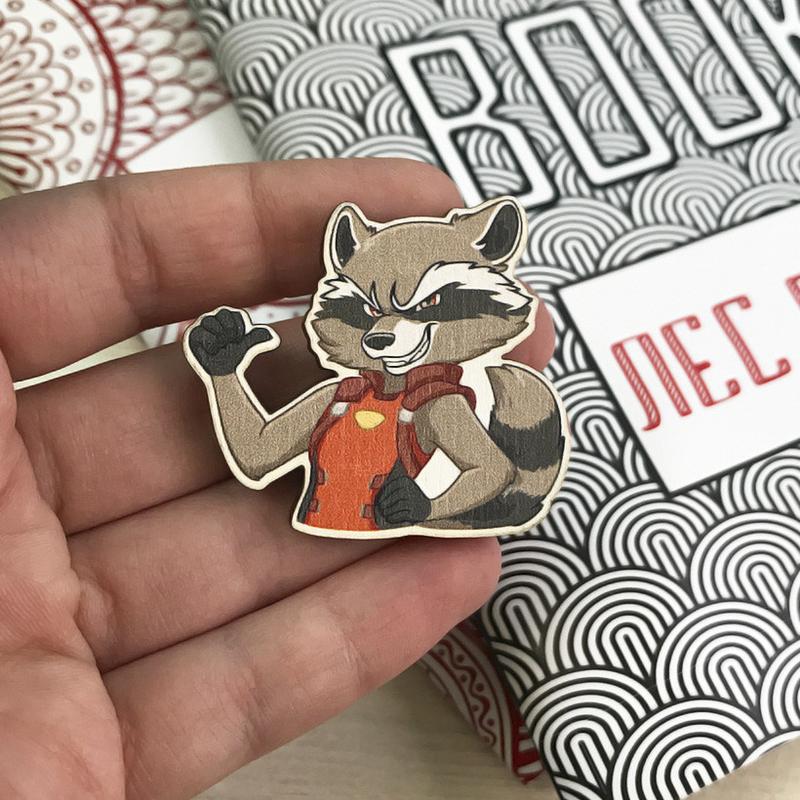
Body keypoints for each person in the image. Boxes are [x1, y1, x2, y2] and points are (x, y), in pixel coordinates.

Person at [0, 159, 554, 799]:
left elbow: (489, 468)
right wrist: (225, 377)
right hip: (297, 539)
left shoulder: (436, 402)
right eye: (369, 312)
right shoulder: (339, 395)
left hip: (369, 545)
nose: (386, 332)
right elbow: (258, 454)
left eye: (421, 308)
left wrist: (427, 501)